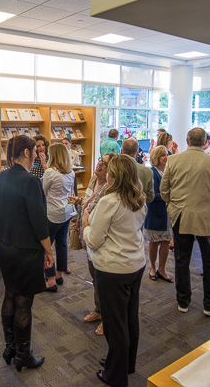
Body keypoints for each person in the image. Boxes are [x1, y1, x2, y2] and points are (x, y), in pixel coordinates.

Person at [83, 155, 147, 387]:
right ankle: (125, 363)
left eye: (109, 170)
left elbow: (94, 240)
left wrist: (86, 224)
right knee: (129, 317)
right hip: (135, 265)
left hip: (113, 269)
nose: (106, 172)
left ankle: (115, 376)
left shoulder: (109, 202)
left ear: (115, 175)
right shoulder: (138, 198)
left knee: (114, 323)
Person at [0, 135, 54, 371]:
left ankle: (10, 347)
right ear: (26, 153)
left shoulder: (1, 177)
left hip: (5, 246)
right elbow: (39, 222)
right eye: (35, 151)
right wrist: (48, 250)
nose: (37, 154)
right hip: (26, 250)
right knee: (24, 301)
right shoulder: (30, 181)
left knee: (10, 294)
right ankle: (23, 355)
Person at [160, 127, 210, 316]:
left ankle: (183, 301)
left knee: (182, 260)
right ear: (206, 142)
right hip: (205, 217)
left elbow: (164, 189)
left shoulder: (173, 160)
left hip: (180, 215)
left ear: (187, 141)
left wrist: (172, 206)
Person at [72, 153, 117, 337]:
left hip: (100, 239)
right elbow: (89, 203)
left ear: (111, 170)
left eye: (104, 164)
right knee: (95, 277)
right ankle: (99, 310)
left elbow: (98, 212)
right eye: (100, 160)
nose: (99, 165)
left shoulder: (110, 190)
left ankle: (109, 319)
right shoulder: (92, 180)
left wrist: (87, 214)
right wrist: (80, 202)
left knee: (105, 282)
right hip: (88, 235)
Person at [42, 143, 75, 292]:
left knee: (46, 246)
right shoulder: (71, 172)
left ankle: (50, 280)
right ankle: (58, 275)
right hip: (66, 212)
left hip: (52, 214)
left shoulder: (50, 172)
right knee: (61, 243)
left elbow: (43, 191)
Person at [144, 145, 173, 283]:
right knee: (154, 242)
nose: (166, 157)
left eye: (166, 154)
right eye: (162, 155)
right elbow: (150, 195)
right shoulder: (152, 172)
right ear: (156, 157)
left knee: (166, 241)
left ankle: (162, 269)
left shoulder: (169, 171)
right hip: (155, 212)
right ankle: (152, 268)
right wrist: (166, 195)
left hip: (168, 213)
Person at [121, 139, 154, 203]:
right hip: (139, 206)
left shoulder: (114, 169)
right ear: (137, 153)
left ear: (121, 151)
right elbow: (150, 198)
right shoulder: (148, 172)